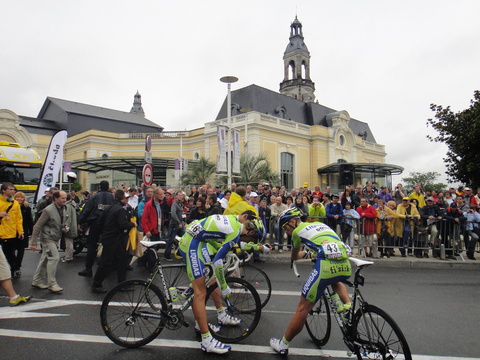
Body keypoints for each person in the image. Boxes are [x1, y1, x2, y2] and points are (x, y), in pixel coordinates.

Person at [177, 210, 267, 354]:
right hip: (192, 244)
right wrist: (224, 287)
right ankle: (206, 340)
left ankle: (203, 323)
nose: (248, 241)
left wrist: (259, 247)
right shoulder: (236, 231)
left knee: (209, 278)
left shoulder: (235, 222)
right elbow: (218, 262)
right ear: (250, 232)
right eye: (252, 239)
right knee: (200, 293)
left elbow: (233, 245)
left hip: (198, 240)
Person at [270, 208, 352, 355]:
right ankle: (348, 307)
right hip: (345, 263)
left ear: (293, 222)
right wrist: (313, 251)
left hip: (325, 265)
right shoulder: (321, 225)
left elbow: (295, 256)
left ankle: (283, 345)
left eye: (285, 227)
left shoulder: (296, 232)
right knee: (336, 279)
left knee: (302, 308)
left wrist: (306, 253)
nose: (285, 231)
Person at [91, 190, 137, 293]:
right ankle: (97, 284)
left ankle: (122, 283)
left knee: (120, 260)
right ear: (122, 199)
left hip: (109, 237)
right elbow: (123, 224)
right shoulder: (120, 210)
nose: (127, 200)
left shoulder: (109, 208)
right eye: (126, 198)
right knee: (107, 262)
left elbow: (100, 222)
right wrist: (132, 224)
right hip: (115, 238)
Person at [30, 190, 73, 293]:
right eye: (62, 198)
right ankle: (52, 284)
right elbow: (37, 226)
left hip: (54, 237)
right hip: (47, 238)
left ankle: (37, 280)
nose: (64, 200)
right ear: (55, 199)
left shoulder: (65, 208)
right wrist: (34, 242)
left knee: (45, 259)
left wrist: (65, 228)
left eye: (65, 198)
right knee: (54, 258)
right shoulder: (48, 210)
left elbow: (62, 221)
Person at [77, 180, 114, 277]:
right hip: (108, 224)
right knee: (107, 246)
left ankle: (88, 269)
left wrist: (80, 222)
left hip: (95, 223)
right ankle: (106, 267)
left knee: (92, 245)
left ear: (99, 187)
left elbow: (86, 210)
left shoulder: (94, 197)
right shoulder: (112, 197)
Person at [0, 183, 24, 278]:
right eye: (10, 189)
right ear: (3, 190)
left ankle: (10, 274)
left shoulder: (15, 203)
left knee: (10, 255)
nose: (13, 191)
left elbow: (19, 219)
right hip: (1, 233)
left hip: (11, 234)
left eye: (13, 189)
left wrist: (20, 231)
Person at [12, 191, 33, 276]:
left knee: (21, 250)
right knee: (11, 251)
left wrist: (32, 232)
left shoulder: (26, 208)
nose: (19, 199)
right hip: (12, 231)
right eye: (17, 197)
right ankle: (13, 265)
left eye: (21, 197)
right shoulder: (11, 206)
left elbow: (29, 221)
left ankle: (17, 267)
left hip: (23, 231)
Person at [165, 191, 186, 261]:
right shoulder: (174, 204)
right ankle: (167, 255)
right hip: (174, 225)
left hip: (180, 224)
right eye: (179, 195)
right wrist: (179, 222)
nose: (180, 197)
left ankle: (181, 253)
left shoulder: (180, 204)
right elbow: (173, 214)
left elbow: (181, 215)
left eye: (181, 195)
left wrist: (183, 222)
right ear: (176, 196)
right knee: (170, 240)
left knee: (184, 238)